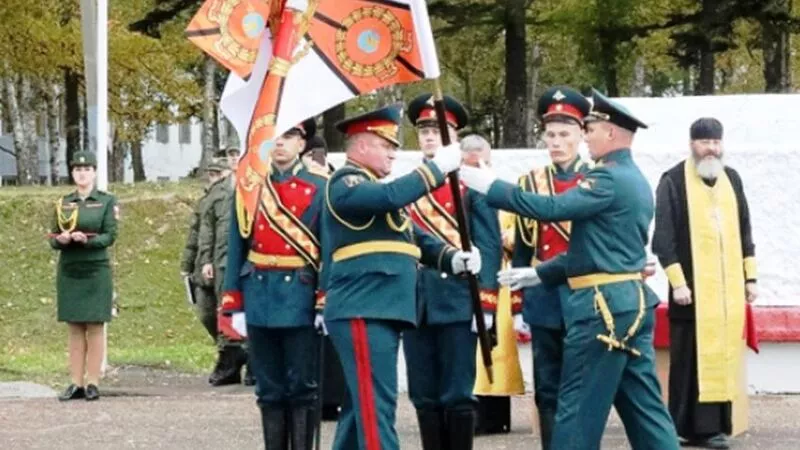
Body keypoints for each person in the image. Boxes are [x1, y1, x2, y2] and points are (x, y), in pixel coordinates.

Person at [460, 88, 680, 450]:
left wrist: (492, 188)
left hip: (600, 308)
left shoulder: (605, 178)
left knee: (576, 409)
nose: (586, 136)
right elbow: (595, 251)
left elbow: (551, 209)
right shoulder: (635, 178)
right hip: (631, 304)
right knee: (645, 409)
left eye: (589, 129)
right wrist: (540, 274)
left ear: (610, 133)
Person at [321, 103, 482, 450]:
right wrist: (437, 168)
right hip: (364, 307)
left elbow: (413, 237)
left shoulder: (376, 191)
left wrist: (452, 257)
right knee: (377, 412)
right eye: (386, 145)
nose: (394, 154)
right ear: (362, 145)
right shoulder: (346, 182)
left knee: (359, 409)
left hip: (381, 308)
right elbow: (392, 196)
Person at [219, 118, 328, 449]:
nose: (280, 143)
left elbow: (328, 248)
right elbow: (237, 245)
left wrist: (324, 298)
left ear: (302, 143)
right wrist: (233, 300)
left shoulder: (321, 187)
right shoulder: (251, 187)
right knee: (268, 389)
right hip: (260, 295)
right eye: (275, 136)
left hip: (300, 294)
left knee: (302, 387)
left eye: (289, 136)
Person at [403, 94, 502, 450]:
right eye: (424, 130)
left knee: (458, 393)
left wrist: (486, 304)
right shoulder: (409, 183)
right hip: (416, 301)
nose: (429, 136)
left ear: (454, 135)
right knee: (423, 394)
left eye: (437, 129)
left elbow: (489, 246)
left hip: (459, 299)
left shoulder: (470, 181)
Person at [652, 118, 758, 449]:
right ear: (691, 144)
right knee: (689, 363)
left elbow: (745, 230)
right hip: (691, 295)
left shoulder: (732, 179)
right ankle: (686, 427)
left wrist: (750, 276)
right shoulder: (673, 181)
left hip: (726, 296)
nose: (711, 148)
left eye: (715, 141)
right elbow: (663, 238)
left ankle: (717, 426)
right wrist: (678, 283)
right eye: (704, 142)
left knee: (722, 358)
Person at [507, 86, 592, 448]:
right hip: (544, 294)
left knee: (585, 383)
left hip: (585, 290)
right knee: (547, 384)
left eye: (565, 134)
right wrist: (517, 303)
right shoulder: (530, 183)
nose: (556, 142)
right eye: (551, 134)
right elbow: (523, 247)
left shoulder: (597, 179)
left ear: (581, 135)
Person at [463, 134, 525, 436]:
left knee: (494, 349)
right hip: (469, 275)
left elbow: (515, 233)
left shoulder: (499, 191)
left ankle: (494, 416)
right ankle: (478, 414)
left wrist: (510, 241)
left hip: (496, 278)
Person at [51, 151, 118, 402]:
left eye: (87, 169)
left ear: (94, 173)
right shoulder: (63, 202)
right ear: (72, 173)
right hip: (70, 267)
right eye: (77, 169)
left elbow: (110, 235)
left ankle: (93, 382)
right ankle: (75, 382)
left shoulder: (106, 201)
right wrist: (61, 240)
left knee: (95, 325)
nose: (82, 173)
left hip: (95, 268)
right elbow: (53, 236)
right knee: (74, 326)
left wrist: (87, 240)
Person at [197, 161, 252, 386]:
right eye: (229, 155)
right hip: (222, 260)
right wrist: (205, 260)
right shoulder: (217, 194)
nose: (232, 160)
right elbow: (205, 229)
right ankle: (230, 358)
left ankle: (253, 362)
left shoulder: (258, 188)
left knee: (249, 311)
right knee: (221, 311)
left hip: (252, 261)